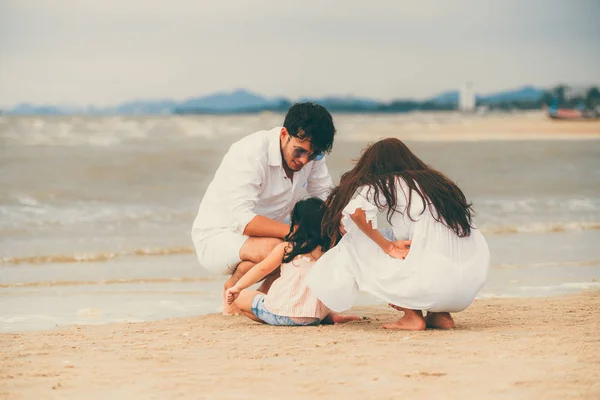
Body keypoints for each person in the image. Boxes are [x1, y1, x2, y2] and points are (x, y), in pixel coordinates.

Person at [306, 138, 490, 330]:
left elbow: (357, 212)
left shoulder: (390, 180)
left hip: (433, 285)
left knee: (357, 241)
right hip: (465, 289)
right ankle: (440, 315)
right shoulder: (439, 182)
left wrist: (387, 246)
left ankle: (413, 316)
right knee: (412, 238)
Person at [191, 103, 336, 314]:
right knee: (284, 249)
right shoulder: (250, 152)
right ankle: (231, 293)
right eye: (300, 151)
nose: (305, 160)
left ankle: (264, 298)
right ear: (284, 134)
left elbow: (325, 196)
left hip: (272, 235)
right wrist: (295, 233)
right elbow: (243, 220)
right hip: (218, 236)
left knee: (311, 242)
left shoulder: (311, 155)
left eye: (313, 155)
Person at [225, 198, 360, 326]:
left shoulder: (287, 248)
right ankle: (328, 316)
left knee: (242, 298)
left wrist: (238, 287)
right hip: (314, 317)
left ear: (296, 226)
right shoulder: (330, 250)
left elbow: (262, 269)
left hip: (283, 314)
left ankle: (275, 318)